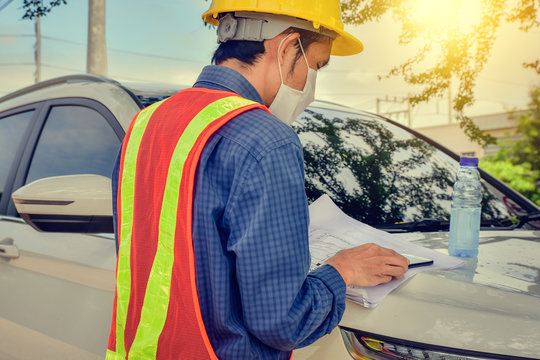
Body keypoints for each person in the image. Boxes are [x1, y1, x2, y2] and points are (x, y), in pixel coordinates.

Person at [106, 1, 409, 359]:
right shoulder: (266, 138)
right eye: (316, 65)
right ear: (286, 47)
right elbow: (282, 321)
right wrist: (343, 270)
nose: (311, 82)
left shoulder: (145, 125)